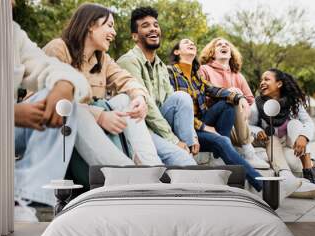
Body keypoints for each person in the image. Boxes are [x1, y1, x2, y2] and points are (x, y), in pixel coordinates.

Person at [43, 3, 162, 166]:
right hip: (50, 129)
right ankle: (125, 173)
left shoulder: (102, 58)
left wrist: (139, 97)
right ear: (91, 25)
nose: (114, 33)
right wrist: (100, 116)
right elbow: (52, 101)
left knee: (124, 100)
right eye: (109, 25)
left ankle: (152, 167)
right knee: (75, 110)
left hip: (86, 132)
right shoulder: (59, 49)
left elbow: (126, 79)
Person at [12, 5, 91, 205]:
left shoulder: (12, 34)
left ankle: (29, 196)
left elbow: (49, 67)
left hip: (11, 127)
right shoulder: (60, 46)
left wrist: (64, 85)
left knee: (64, 104)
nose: (13, 3)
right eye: (108, 25)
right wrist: (6, 113)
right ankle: (123, 176)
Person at [168, 38, 263, 192]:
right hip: (185, 129)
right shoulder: (170, 72)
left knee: (228, 101)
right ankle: (263, 184)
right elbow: (176, 110)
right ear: (177, 52)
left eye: (193, 42)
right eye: (186, 42)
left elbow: (215, 90)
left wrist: (239, 98)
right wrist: (204, 127)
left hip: (202, 123)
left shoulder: (195, 76)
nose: (191, 43)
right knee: (222, 141)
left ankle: (221, 146)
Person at [117, 7, 197, 166]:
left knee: (182, 97)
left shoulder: (161, 66)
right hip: (141, 127)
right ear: (134, 36)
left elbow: (171, 99)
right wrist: (173, 141)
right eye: (145, 25)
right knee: (184, 161)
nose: (153, 28)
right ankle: (186, 157)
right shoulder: (128, 61)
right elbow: (148, 106)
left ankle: (188, 148)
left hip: (161, 125)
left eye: (155, 25)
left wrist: (192, 135)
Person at [249, 68, 315, 198]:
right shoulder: (257, 103)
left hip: (290, 144)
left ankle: (308, 170)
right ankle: (314, 164)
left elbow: (308, 123)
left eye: (267, 79)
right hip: (271, 145)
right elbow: (249, 125)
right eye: (261, 80)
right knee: (285, 155)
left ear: (279, 84)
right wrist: (258, 131)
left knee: (296, 124)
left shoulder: (293, 102)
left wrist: (303, 137)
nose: (262, 82)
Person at [199, 37, 268, 169]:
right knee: (234, 95)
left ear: (231, 53)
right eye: (219, 45)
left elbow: (251, 101)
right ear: (212, 53)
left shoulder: (238, 76)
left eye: (226, 45)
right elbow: (201, 97)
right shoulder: (204, 70)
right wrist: (231, 94)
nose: (224, 46)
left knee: (236, 95)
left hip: (235, 127)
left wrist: (241, 105)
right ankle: (248, 152)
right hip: (211, 122)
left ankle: (245, 150)